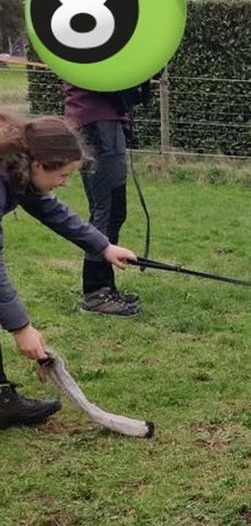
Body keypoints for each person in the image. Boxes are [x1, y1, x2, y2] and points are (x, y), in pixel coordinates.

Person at [0, 113, 137, 428]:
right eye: (62, 175)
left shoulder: (16, 168)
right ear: (39, 164)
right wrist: (21, 328)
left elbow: (50, 209)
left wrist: (103, 246)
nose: (65, 182)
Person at [62, 81, 152, 316]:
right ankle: (95, 293)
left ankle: (106, 288)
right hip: (96, 122)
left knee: (114, 211)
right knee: (105, 211)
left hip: (103, 121)